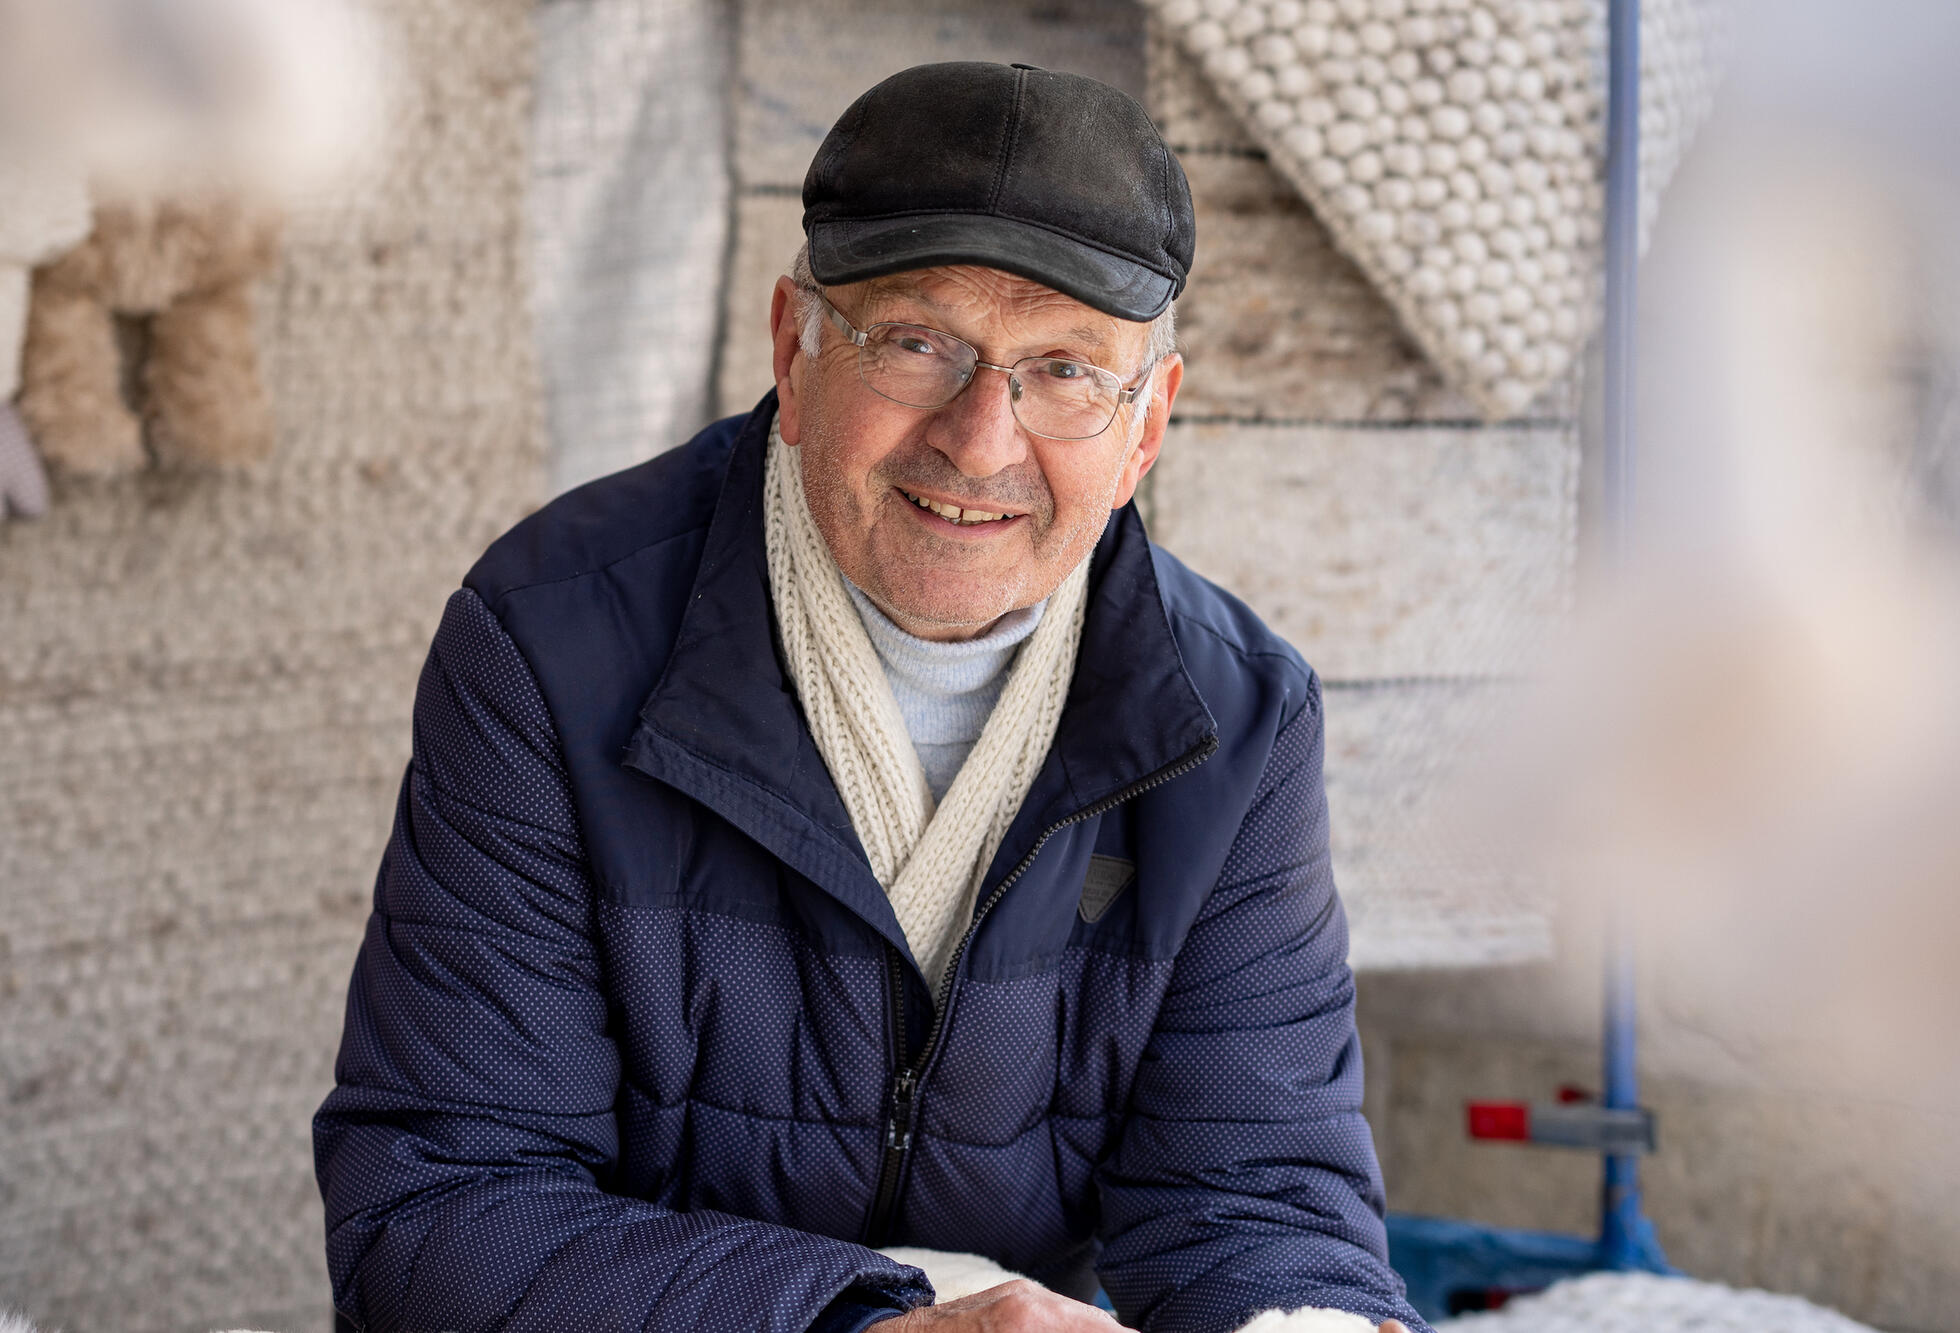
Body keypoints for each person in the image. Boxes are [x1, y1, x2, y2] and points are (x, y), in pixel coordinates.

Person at [313, 61, 1427, 1333]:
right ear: (793, 350)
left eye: (1065, 369)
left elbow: (1254, 1197)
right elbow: (440, 1215)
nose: (980, 438)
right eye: (917, 343)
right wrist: (856, 1323)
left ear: (1146, 426)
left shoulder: (1236, 721)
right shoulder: (551, 645)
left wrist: (1314, 1320)